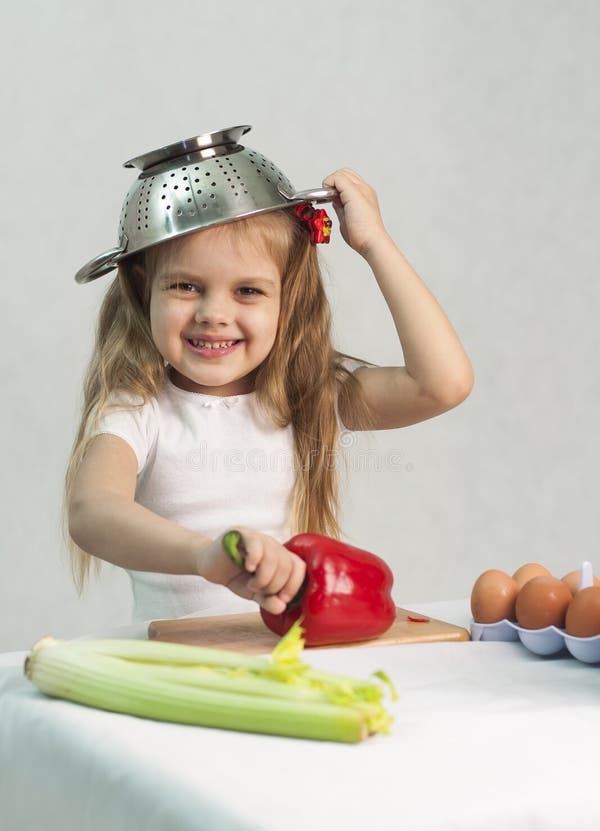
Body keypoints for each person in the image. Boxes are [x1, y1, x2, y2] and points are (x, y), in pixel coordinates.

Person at [64, 138, 474, 624]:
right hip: (181, 661)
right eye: (185, 286)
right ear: (141, 288)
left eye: (248, 291)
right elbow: (92, 511)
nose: (214, 314)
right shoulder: (137, 408)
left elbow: (443, 383)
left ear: (288, 299)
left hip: (285, 649)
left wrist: (374, 243)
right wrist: (203, 556)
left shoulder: (309, 395)